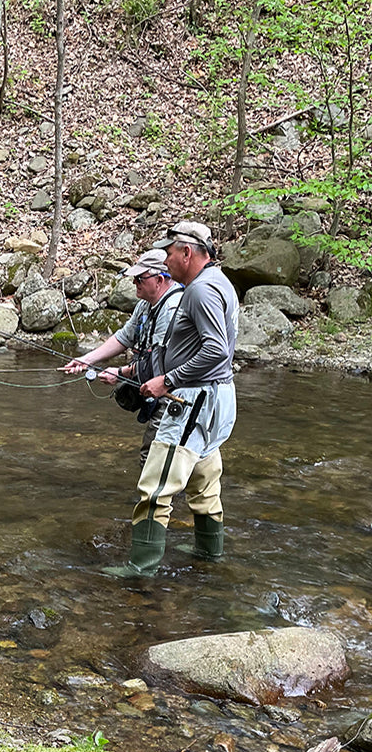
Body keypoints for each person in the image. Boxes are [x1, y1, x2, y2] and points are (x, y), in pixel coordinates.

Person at [107, 221, 239, 577]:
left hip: (193, 401)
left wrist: (167, 380)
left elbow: (217, 349)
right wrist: (135, 373)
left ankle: (140, 568)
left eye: (168, 252)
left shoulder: (200, 291)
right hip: (217, 399)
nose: (165, 259)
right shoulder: (219, 283)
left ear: (187, 252)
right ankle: (209, 555)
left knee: (155, 486)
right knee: (204, 483)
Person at [61, 248, 184, 464]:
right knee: (161, 460)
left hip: (174, 392)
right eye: (134, 278)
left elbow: (159, 362)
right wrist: (86, 360)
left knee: (155, 458)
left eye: (140, 278)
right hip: (155, 388)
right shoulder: (145, 305)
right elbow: (124, 337)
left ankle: (160, 498)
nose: (135, 282)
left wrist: (120, 373)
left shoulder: (173, 309)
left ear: (160, 279)